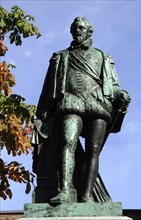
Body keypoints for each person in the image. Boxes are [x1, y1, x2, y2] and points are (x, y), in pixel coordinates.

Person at [31, 17, 131, 204]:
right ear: (71, 31)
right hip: (72, 102)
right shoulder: (61, 57)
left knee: (93, 151)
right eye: (75, 28)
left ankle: (86, 197)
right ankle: (66, 190)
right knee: (67, 142)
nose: (78, 31)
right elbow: (48, 87)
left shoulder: (102, 56)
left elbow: (114, 85)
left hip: (98, 105)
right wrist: (42, 111)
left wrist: (121, 94)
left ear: (89, 32)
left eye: (82, 28)